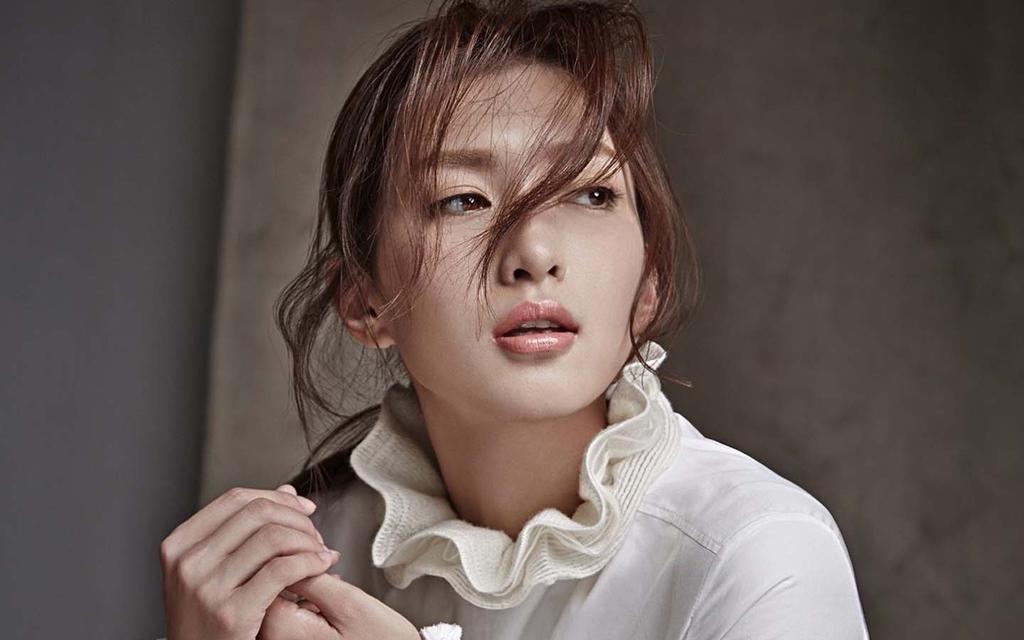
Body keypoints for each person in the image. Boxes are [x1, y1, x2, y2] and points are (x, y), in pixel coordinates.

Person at [159, 1, 871, 638]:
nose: (534, 254)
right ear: (364, 301)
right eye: (462, 200)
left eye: (590, 194)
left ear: (648, 285)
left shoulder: (753, 548)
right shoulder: (307, 563)